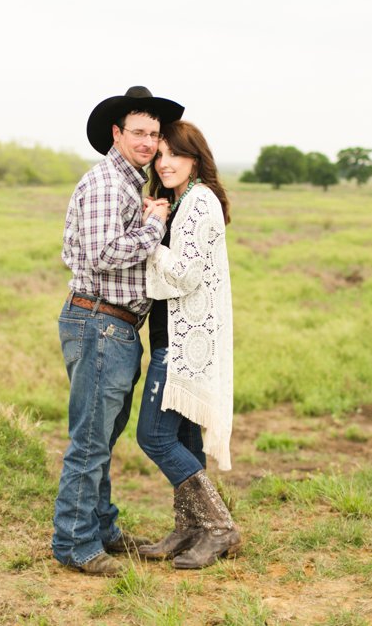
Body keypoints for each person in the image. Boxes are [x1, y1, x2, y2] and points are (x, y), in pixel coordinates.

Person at [52, 86, 185, 576]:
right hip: (101, 321)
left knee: (100, 436)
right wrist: (154, 226)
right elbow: (103, 254)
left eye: (154, 134)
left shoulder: (129, 184)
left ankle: (101, 528)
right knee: (90, 439)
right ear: (117, 133)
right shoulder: (109, 184)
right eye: (139, 132)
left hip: (113, 325)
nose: (149, 142)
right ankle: (74, 543)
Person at [135, 120, 240, 569]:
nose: (166, 162)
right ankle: (189, 527)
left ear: (195, 159)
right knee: (182, 435)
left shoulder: (197, 202)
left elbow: (185, 274)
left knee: (154, 436)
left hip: (181, 344)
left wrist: (150, 236)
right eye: (160, 155)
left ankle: (219, 527)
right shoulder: (182, 202)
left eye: (176, 154)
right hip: (173, 335)